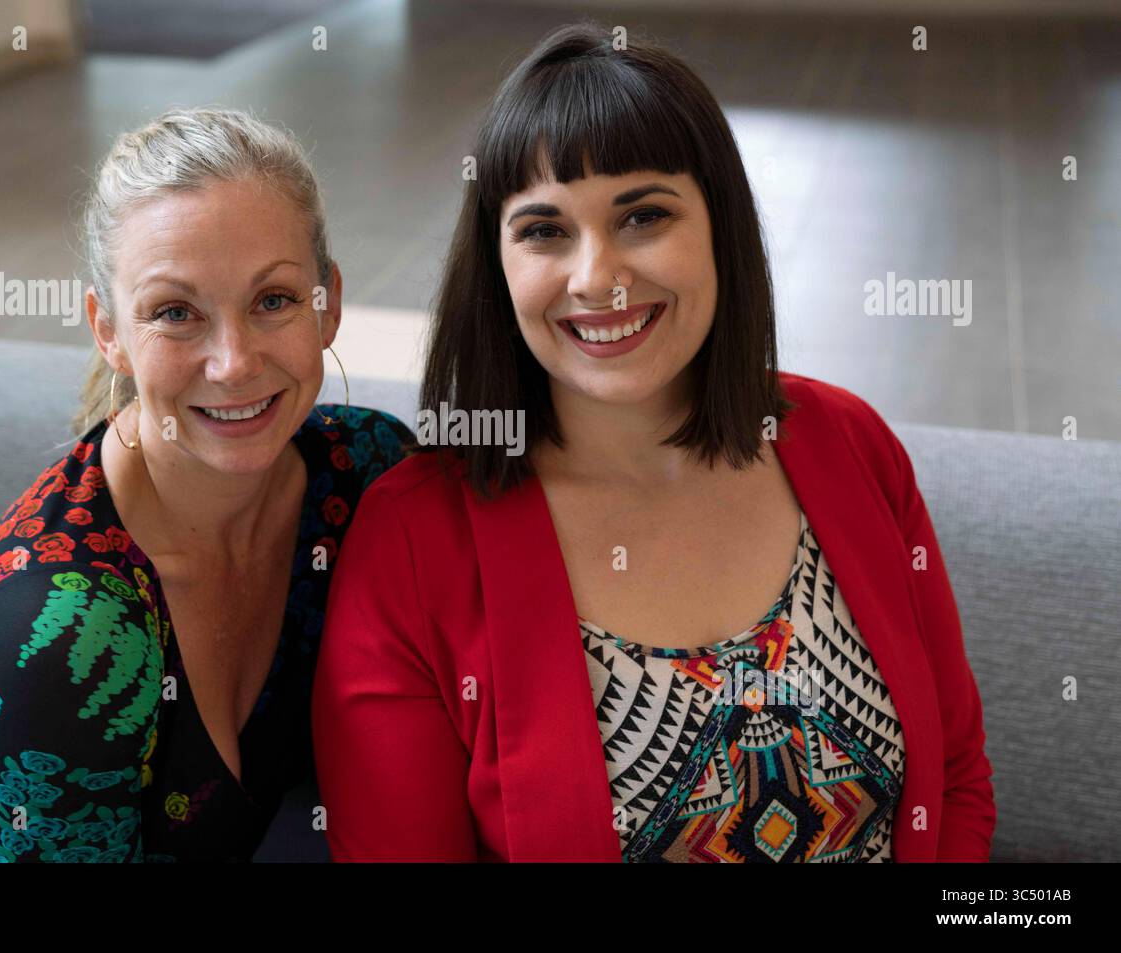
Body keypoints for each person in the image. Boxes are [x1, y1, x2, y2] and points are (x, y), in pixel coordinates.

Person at [311, 22, 996, 862]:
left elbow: (956, 779)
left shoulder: (849, 443)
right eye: (543, 229)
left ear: (720, 225)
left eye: (643, 215)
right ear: (496, 265)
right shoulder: (413, 538)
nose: (597, 276)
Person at [0, 107, 413, 862]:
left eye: (272, 299)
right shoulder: (62, 628)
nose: (234, 362)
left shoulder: (366, 472)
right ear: (107, 330)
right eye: (176, 313)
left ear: (329, 302)